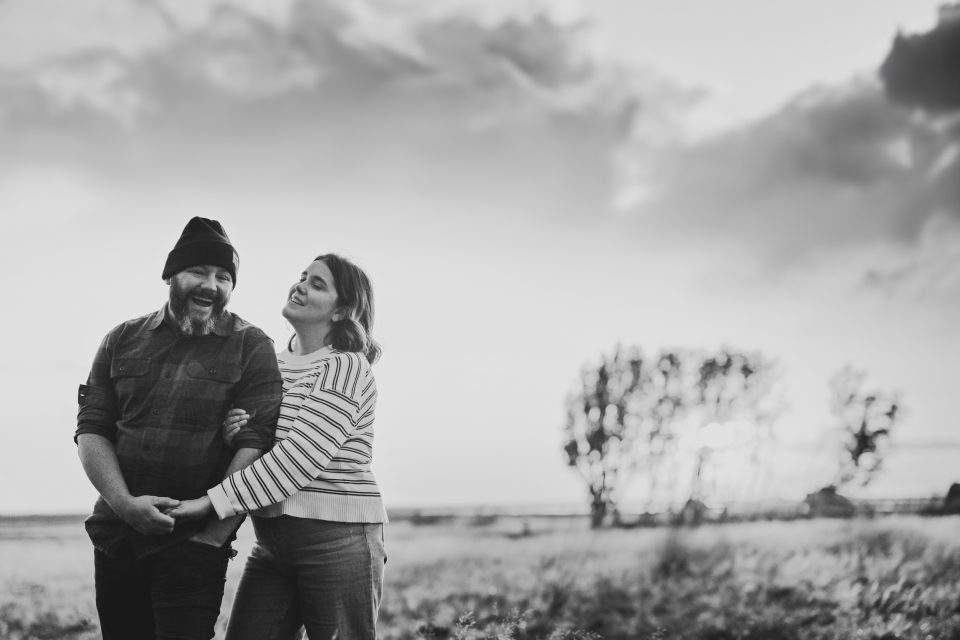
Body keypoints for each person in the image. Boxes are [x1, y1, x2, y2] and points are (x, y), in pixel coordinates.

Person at [75, 217, 283, 640]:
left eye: (224, 277)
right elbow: (91, 428)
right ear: (171, 274)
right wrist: (124, 504)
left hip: (192, 549)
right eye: (198, 272)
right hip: (118, 540)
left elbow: (255, 445)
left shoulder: (252, 346)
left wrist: (210, 537)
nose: (211, 285)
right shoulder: (121, 339)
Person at [170, 253, 388, 640]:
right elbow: (259, 443)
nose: (300, 285)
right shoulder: (271, 364)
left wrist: (211, 503)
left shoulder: (345, 366)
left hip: (337, 541)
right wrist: (233, 435)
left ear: (341, 312)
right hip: (271, 541)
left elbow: (300, 458)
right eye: (303, 276)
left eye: (317, 284)